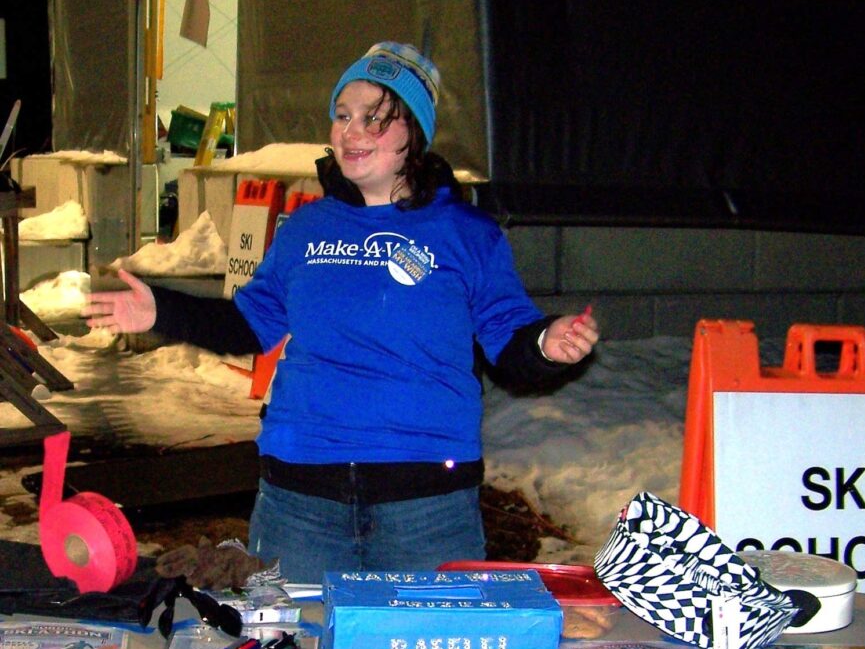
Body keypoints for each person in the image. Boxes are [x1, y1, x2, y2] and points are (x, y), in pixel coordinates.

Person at [84, 41, 600, 583]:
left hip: (425, 505)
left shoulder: (468, 234)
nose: (352, 133)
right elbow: (249, 324)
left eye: (375, 120)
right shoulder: (308, 229)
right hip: (299, 500)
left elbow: (510, 339)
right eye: (343, 116)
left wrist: (546, 343)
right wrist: (160, 310)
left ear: (414, 136)